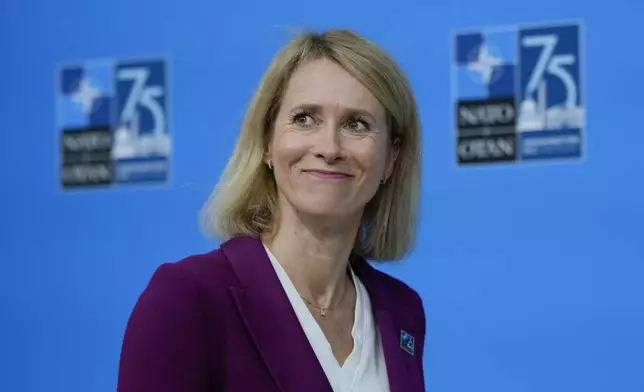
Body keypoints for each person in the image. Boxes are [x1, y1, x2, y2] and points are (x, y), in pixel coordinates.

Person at [117, 28, 425, 392]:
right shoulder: (188, 299)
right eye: (305, 118)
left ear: (391, 158)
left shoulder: (402, 311)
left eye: (356, 125)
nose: (329, 147)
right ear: (266, 141)